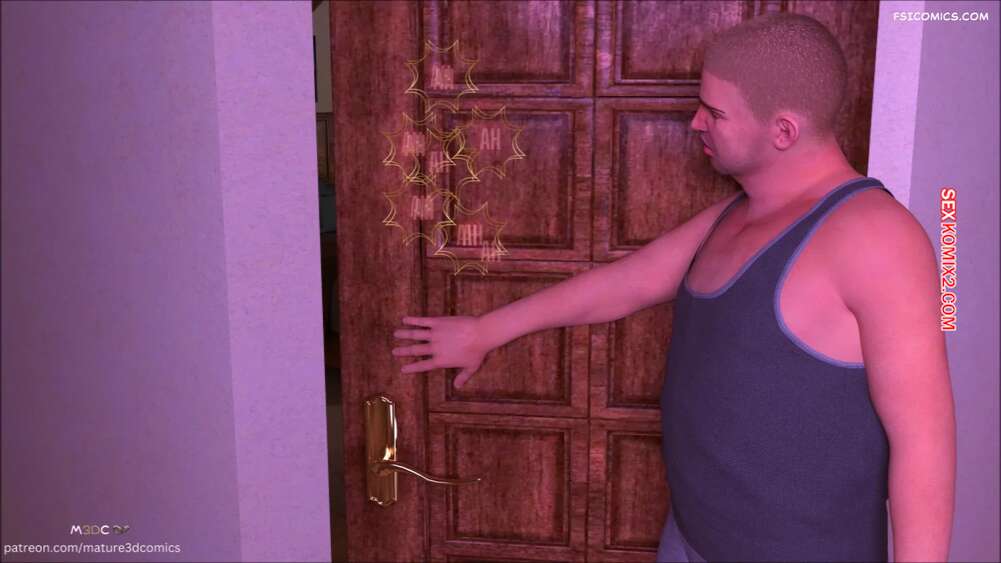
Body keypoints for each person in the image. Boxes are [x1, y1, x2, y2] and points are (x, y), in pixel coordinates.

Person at [392, 12, 955, 563]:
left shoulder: (877, 238)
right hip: (690, 538)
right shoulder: (737, 214)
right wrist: (486, 331)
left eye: (715, 112)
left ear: (783, 130)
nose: (695, 123)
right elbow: (625, 284)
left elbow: (925, 443)